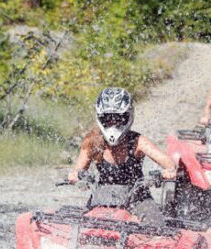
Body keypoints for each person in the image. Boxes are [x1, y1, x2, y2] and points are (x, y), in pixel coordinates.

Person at [68, 87, 176, 223]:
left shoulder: (138, 141)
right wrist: (75, 176)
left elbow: (168, 162)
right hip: (101, 196)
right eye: (108, 119)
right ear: (100, 118)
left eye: (118, 118)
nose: (113, 123)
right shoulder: (92, 142)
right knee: (81, 225)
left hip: (138, 198)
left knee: (157, 225)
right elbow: (78, 169)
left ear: (128, 116)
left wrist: (168, 172)